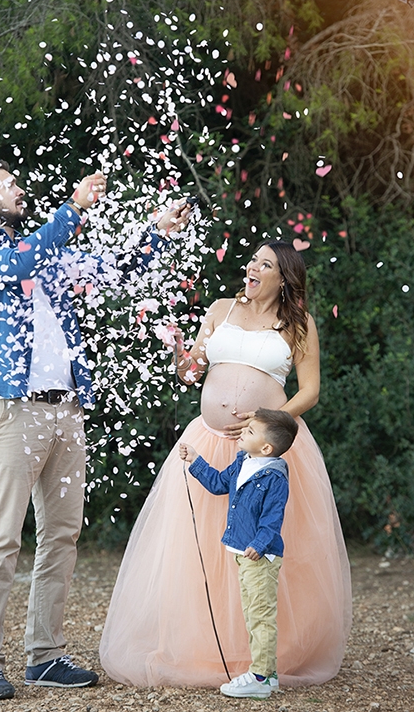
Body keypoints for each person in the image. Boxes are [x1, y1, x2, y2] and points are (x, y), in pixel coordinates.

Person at [0, 158, 192, 700]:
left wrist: (157, 232)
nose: (20, 190)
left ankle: (45, 655)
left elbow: (115, 268)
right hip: (12, 409)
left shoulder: (46, 252)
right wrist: (74, 208)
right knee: (1, 536)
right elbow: (24, 260)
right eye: (9, 185)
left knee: (61, 534)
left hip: (66, 409)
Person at [99, 240, 352, 688]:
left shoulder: (297, 323)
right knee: (198, 548)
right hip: (207, 441)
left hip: (265, 448)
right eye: (253, 259)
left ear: (283, 279)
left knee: (261, 547)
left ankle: (265, 655)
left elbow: (310, 390)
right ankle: (202, 646)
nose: (252, 267)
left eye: (265, 263)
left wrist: (272, 420)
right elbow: (192, 370)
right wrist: (181, 356)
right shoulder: (219, 309)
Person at [179, 408, 298, 699]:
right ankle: (267, 675)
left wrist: (258, 545)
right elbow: (220, 483)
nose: (243, 432)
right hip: (243, 553)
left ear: (267, 447)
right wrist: (196, 460)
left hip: (259, 557)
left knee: (260, 615)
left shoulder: (274, 478)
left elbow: (273, 519)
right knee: (253, 613)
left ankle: (259, 677)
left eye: (251, 431)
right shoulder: (244, 461)